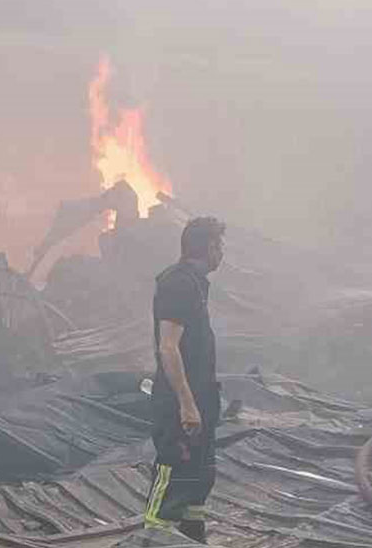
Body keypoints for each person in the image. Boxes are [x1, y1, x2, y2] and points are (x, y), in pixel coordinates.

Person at [143, 216, 225, 544]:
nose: (222, 252)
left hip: (201, 396)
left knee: (199, 476)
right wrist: (187, 405)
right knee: (174, 470)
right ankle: (154, 537)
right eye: (218, 245)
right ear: (205, 247)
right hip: (179, 401)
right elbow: (168, 347)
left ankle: (193, 536)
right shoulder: (177, 283)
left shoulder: (195, 283)